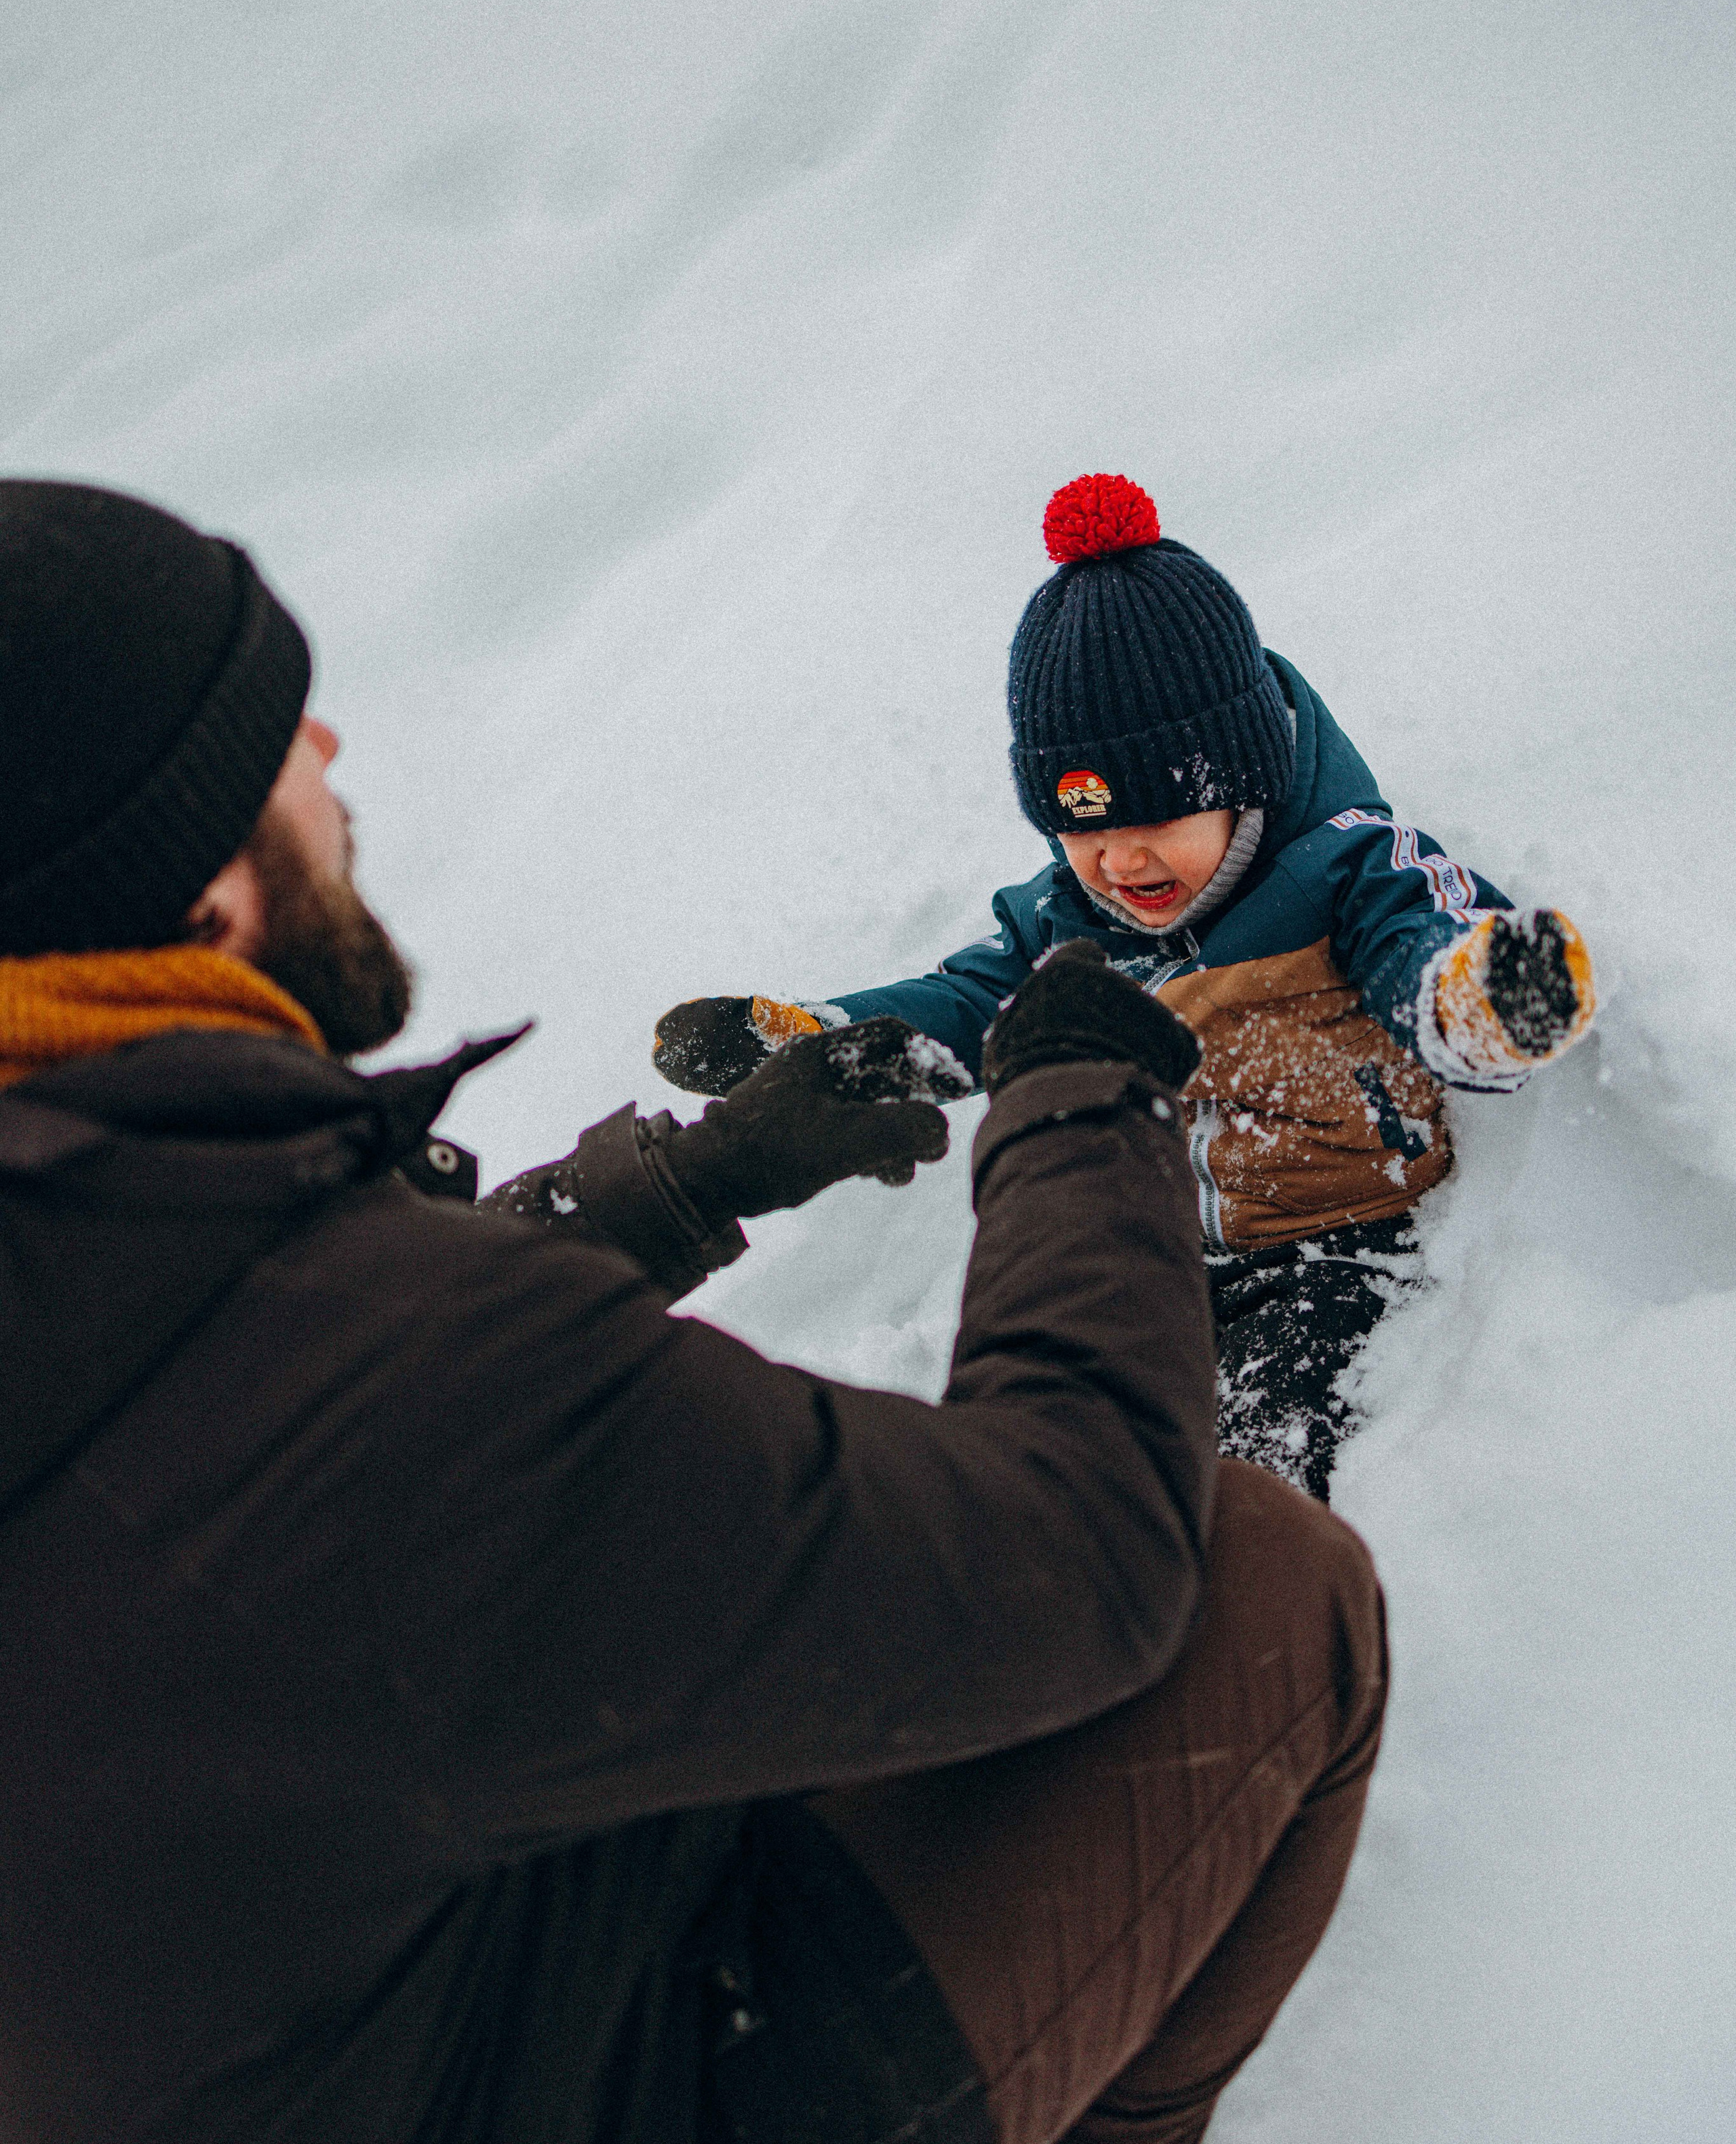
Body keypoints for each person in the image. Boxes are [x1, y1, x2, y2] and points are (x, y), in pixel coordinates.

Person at [0, 479, 1387, 2144]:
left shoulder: (95, 1235)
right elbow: (1087, 1551)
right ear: (203, 889)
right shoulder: (408, 1389)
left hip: (325, 2108)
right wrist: (1074, 1098)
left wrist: (690, 1179)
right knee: (1264, 1585)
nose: (329, 742)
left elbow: (260, 1383)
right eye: (268, 736)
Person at [654, 472, 1597, 1504]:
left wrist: (1488, 1002)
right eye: (1084, 826)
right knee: (1052, 1432)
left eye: (1154, 816)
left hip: (1334, 1249)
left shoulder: (1347, 870)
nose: (1121, 859)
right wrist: (825, 1045)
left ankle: (1234, 1608)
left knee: (1246, 1470)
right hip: (1151, 1249)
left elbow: (1428, 950)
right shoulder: (1068, 918)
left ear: (1242, 773)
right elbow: (969, 1008)